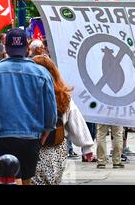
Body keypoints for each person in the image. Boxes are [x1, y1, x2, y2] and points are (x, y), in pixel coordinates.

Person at [0, 28, 57, 185]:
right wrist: (45, 133)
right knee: (26, 180)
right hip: (30, 137)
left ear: (6, 47)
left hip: (0, 136)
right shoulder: (42, 73)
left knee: (3, 177)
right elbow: (51, 111)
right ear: (27, 48)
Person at [30, 55, 94, 185]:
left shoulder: (27, 94)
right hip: (57, 148)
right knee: (51, 180)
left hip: (34, 146)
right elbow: (75, 120)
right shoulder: (63, 97)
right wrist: (86, 147)